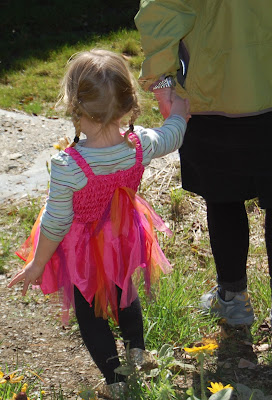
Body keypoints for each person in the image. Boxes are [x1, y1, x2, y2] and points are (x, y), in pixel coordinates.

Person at [135, 1, 272, 347]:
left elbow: (162, 6)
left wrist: (162, 79)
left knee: (223, 198)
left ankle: (233, 302)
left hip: (217, 87)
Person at [8, 49, 189, 399]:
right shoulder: (141, 145)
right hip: (123, 236)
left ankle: (115, 381)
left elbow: (56, 222)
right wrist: (178, 109)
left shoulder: (68, 164)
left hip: (83, 250)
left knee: (90, 313)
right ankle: (137, 351)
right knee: (124, 290)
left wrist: (38, 262)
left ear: (75, 105)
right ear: (127, 104)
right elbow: (173, 134)